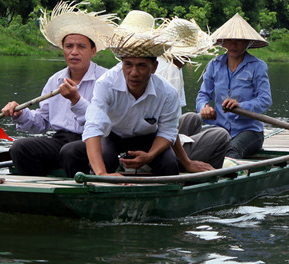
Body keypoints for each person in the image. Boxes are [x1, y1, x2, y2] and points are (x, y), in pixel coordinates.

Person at [1, 2, 116, 176]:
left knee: (70, 151)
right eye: (69, 46)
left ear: (93, 51)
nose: (74, 52)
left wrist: (75, 100)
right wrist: (20, 113)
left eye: (81, 47)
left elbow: (105, 124)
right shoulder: (55, 80)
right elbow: (42, 122)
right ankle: (40, 195)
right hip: (61, 140)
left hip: (96, 143)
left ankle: (79, 196)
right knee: (20, 148)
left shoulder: (106, 79)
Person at [60, 30, 183, 177]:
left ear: (154, 68)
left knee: (169, 163)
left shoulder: (167, 93)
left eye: (142, 66)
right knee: (73, 153)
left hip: (148, 138)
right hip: (113, 135)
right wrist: (102, 174)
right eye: (128, 65)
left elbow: (167, 131)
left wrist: (149, 156)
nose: (133, 73)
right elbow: (93, 127)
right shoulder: (106, 83)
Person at [156, 16, 230, 171]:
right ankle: (207, 176)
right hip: (158, 149)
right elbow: (168, 129)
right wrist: (187, 162)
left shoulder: (160, 62)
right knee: (221, 135)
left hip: (155, 137)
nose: (190, 57)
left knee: (192, 118)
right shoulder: (172, 71)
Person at [196, 13, 273, 160]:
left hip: (249, 130)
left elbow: (265, 100)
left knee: (232, 149)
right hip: (219, 128)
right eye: (229, 40)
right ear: (223, 42)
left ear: (247, 42)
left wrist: (241, 106)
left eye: (238, 41)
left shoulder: (257, 66)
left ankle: (227, 178)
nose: (233, 44)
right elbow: (203, 95)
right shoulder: (214, 65)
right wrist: (204, 107)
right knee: (197, 147)